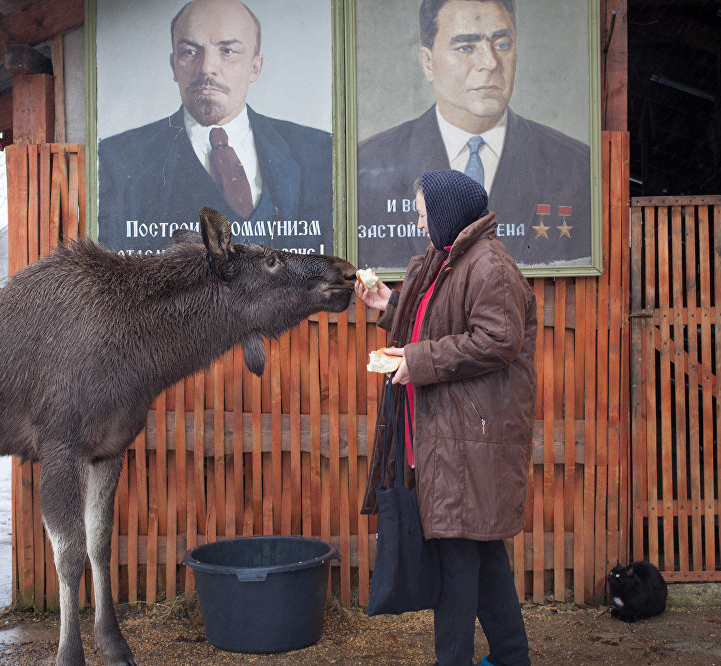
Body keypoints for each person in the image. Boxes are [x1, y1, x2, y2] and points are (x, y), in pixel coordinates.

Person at [357, 169, 536, 665]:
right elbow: (436, 325)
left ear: (446, 214)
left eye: (422, 213)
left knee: (458, 564)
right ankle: (512, 658)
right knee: (484, 558)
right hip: (453, 438)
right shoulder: (450, 262)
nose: (418, 221)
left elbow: (499, 340)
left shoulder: (490, 267)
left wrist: (414, 362)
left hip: (471, 440)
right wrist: (389, 304)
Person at [357, 0, 591, 269]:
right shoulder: (368, 162)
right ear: (428, 62)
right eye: (465, 47)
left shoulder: (575, 165)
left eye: (502, 44)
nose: (490, 63)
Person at [98, 0, 333, 253]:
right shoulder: (116, 159)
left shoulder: (318, 151)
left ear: (255, 67)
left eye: (228, 51)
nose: (207, 68)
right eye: (189, 51)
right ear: (174, 65)